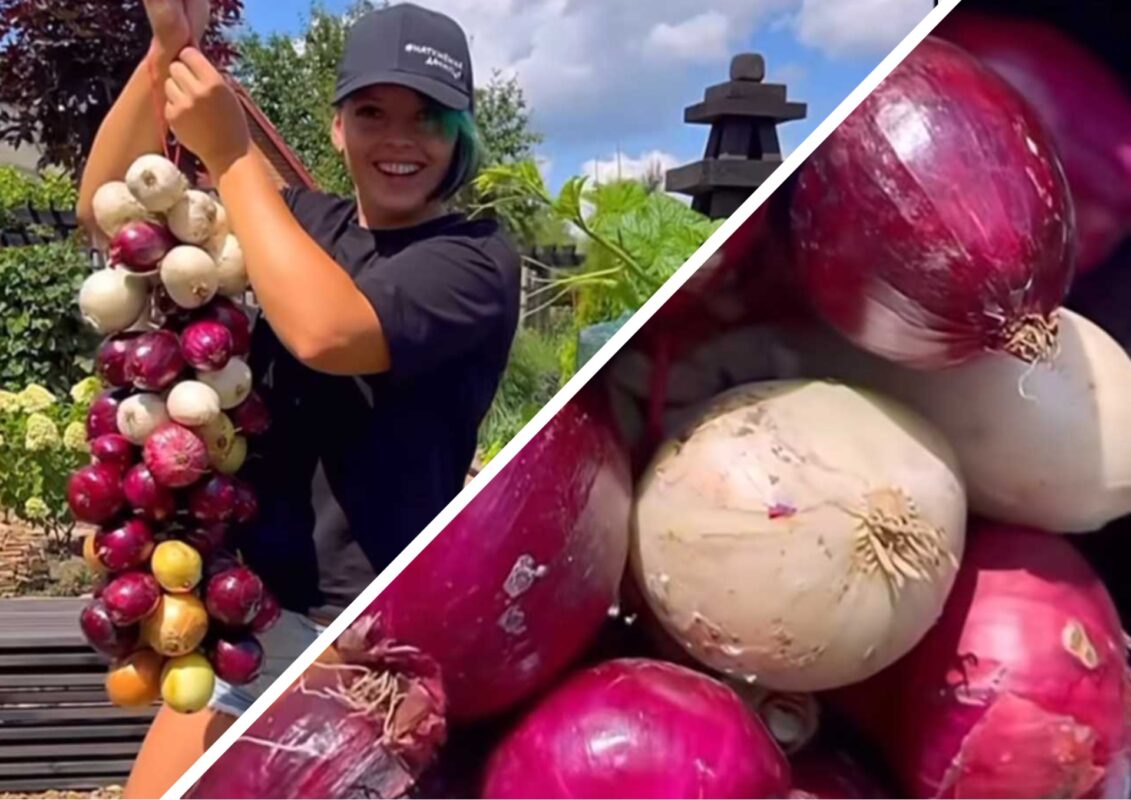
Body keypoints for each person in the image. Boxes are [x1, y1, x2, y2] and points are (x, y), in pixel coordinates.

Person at [76, 1, 520, 795]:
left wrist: (234, 153)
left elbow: (327, 330)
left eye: (428, 118)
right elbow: (110, 206)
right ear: (338, 125)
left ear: (462, 132)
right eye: (372, 112)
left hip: (362, 641)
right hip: (245, 614)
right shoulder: (302, 221)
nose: (397, 139)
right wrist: (166, 49)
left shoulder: (475, 259)